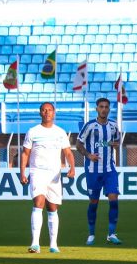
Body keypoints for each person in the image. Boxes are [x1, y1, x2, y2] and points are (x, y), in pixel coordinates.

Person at [19, 102, 75, 253]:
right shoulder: (33, 131)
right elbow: (25, 153)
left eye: (49, 110)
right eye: (44, 110)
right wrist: (22, 172)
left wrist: (72, 168)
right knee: (38, 202)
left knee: (52, 207)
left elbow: (68, 152)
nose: (47, 112)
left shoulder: (60, 132)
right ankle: (35, 244)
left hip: (54, 173)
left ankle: (53, 245)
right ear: (40, 113)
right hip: (37, 171)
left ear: (54, 113)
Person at [76, 98, 122, 245]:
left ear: (109, 109)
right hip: (92, 170)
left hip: (109, 169)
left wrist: (113, 144)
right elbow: (78, 144)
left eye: (106, 107)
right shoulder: (89, 126)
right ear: (96, 109)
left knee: (114, 200)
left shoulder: (114, 126)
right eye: (101, 107)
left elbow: (117, 141)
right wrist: (89, 155)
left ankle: (111, 234)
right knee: (94, 202)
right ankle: (91, 234)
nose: (103, 109)